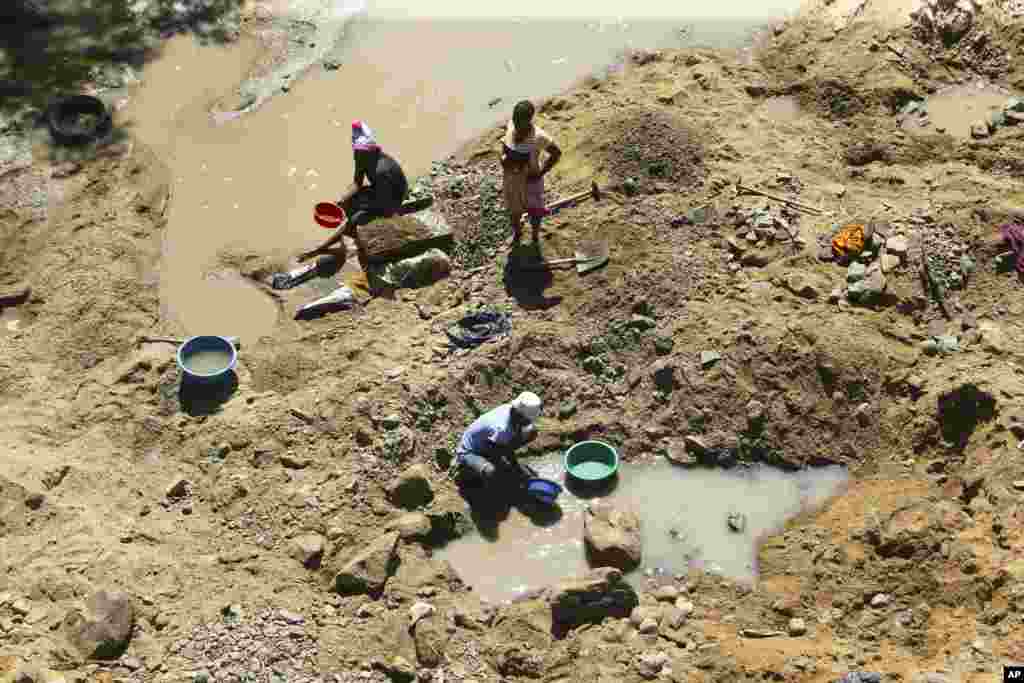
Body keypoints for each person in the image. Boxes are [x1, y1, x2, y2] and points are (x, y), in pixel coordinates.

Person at [299, 120, 409, 265]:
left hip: (392, 198)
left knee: (356, 219)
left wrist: (360, 212)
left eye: (359, 151)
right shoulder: (361, 157)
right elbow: (357, 183)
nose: (356, 153)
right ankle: (345, 230)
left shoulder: (382, 169)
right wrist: (341, 200)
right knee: (350, 203)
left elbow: (381, 201)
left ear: (372, 150)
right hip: (379, 189)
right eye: (355, 150)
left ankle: (322, 248)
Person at [500, 101, 562, 246]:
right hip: (511, 179)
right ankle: (517, 234)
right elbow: (504, 145)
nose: (516, 125)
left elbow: (556, 153)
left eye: (519, 122)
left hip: (531, 181)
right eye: (514, 120)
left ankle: (534, 236)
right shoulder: (511, 126)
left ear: (529, 120)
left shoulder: (539, 137)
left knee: (535, 212)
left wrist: (541, 172)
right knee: (513, 212)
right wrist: (502, 158)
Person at [456, 391, 542, 487]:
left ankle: (505, 470)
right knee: (491, 471)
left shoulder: (512, 411)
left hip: (491, 443)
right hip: (470, 452)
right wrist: (516, 469)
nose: (529, 422)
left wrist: (516, 467)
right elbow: (496, 453)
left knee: (531, 431)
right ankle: (479, 484)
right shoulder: (502, 428)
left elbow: (502, 448)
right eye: (528, 419)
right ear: (521, 416)